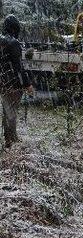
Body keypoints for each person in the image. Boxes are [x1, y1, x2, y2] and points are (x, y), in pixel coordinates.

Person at [0, 15, 33, 149]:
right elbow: (19, 67)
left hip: (2, 81)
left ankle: (8, 138)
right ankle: (11, 139)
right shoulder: (14, 43)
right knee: (11, 112)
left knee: (6, 109)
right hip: (13, 83)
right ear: (16, 28)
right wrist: (27, 84)